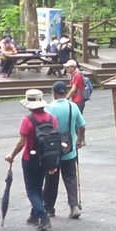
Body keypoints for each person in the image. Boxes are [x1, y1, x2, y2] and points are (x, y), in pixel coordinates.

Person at [4, 88, 58, 231]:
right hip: (45, 158)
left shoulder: (27, 120)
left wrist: (11, 156)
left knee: (32, 190)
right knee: (38, 186)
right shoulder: (52, 119)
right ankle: (34, 215)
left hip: (30, 158)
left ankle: (43, 217)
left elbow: (21, 143)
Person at [43, 80, 85, 218]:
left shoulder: (48, 108)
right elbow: (82, 126)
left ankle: (49, 208)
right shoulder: (73, 106)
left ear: (54, 93)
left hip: (53, 150)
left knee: (51, 179)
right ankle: (74, 205)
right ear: (66, 93)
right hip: (70, 149)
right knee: (71, 177)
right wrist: (80, 140)